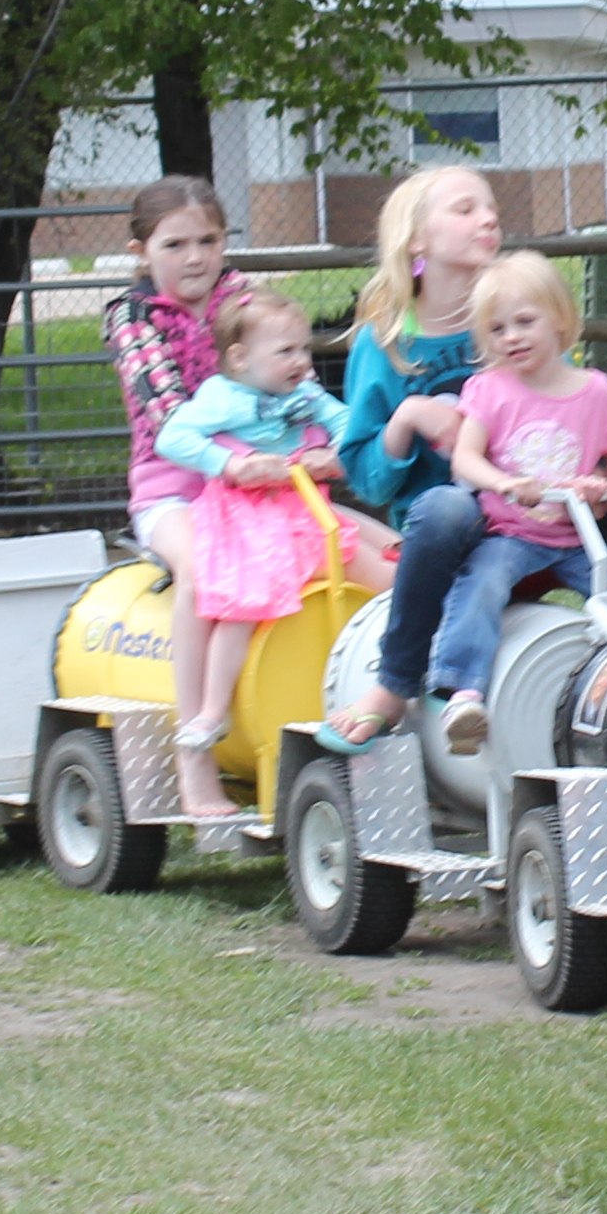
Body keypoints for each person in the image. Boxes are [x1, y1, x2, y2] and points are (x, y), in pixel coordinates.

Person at [152, 290, 361, 828]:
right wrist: (230, 464)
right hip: (242, 512)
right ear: (241, 359)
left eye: (303, 350)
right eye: (287, 352)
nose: (302, 363)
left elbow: (347, 424)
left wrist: (331, 453)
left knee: (369, 565)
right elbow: (174, 437)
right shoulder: (223, 397)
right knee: (244, 600)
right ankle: (211, 714)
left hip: (294, 506)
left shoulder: (307, 394)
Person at [427, 248, 607, 744]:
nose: (511, 337)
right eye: (497, 329)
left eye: (524, 322)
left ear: (559, 319)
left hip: (576, 534)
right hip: (511, 531)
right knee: (482, 583)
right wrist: (503, 483)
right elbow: (465, 459)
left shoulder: (596, 392)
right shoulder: (490, 389)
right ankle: (463, 692)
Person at [331, 164, 504, 738]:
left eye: (490, 207)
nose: (488, 217)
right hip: (444, 528)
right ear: (418, 240)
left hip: (528, 509)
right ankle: (396, 682)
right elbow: (369, 480)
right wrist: (407, 417)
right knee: (449, 506)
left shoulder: (515, 318)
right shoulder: (384, 344)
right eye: (465, 208)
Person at [102, 177, 254, 745]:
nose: (196, 258)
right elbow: (170, 424)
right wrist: (245, 450)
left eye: (208, 241)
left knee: (373, 549)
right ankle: (193, 738)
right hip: (173, 493)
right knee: (202, 569)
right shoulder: (134, 319)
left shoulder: (243, 301)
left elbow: (289, 381)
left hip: (255, 487)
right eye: (175, 245)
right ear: (139, 252)